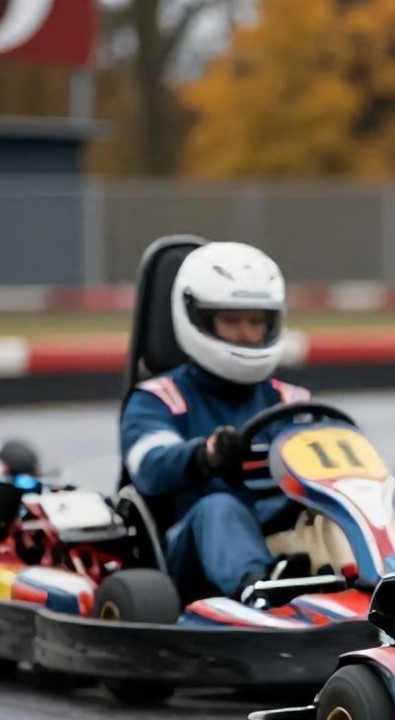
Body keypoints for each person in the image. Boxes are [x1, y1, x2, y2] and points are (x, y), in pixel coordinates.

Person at [118, 241, 314, 603]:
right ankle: (259, 593)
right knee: (220, 507)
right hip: (192, 551)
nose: (245, 333)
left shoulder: (292, 401)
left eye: (256, 322)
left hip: (284, 540)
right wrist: (203, 456)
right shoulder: (159, 398)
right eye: (232, 320)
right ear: (197, 318)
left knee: (336, 511)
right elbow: (149, 466)